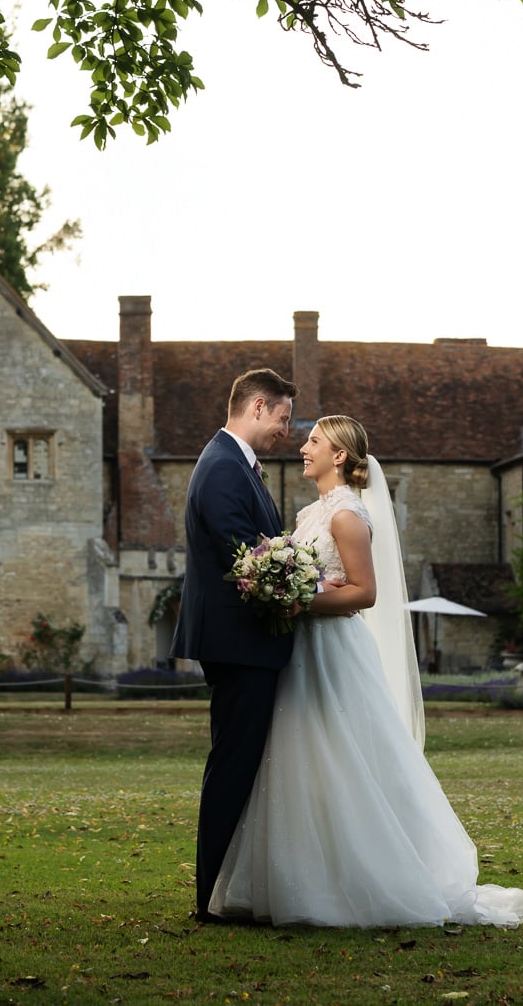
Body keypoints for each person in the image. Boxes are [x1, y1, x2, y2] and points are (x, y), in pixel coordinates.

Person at [207, 414, 523, 928]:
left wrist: (301, 600)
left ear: (339, 456)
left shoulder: (349, 516)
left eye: (314, 441)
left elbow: (365, 592)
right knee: (299, 757)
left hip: (333, 650)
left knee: (343, 755)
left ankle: (363, 880)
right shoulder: (312, 511)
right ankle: (299, 878)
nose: (304, 447)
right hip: (301, 651)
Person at [173, 367, 298, 922]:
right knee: (232, 765)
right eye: (283, 418)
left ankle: (231, 890)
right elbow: (248, 560)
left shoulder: (237, 465)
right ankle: (211, 899)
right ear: (256, 408)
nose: (286, 432)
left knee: (243, 763)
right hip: (238, 643)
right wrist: (307, 588)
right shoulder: (224, 467)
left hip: (245, 642)